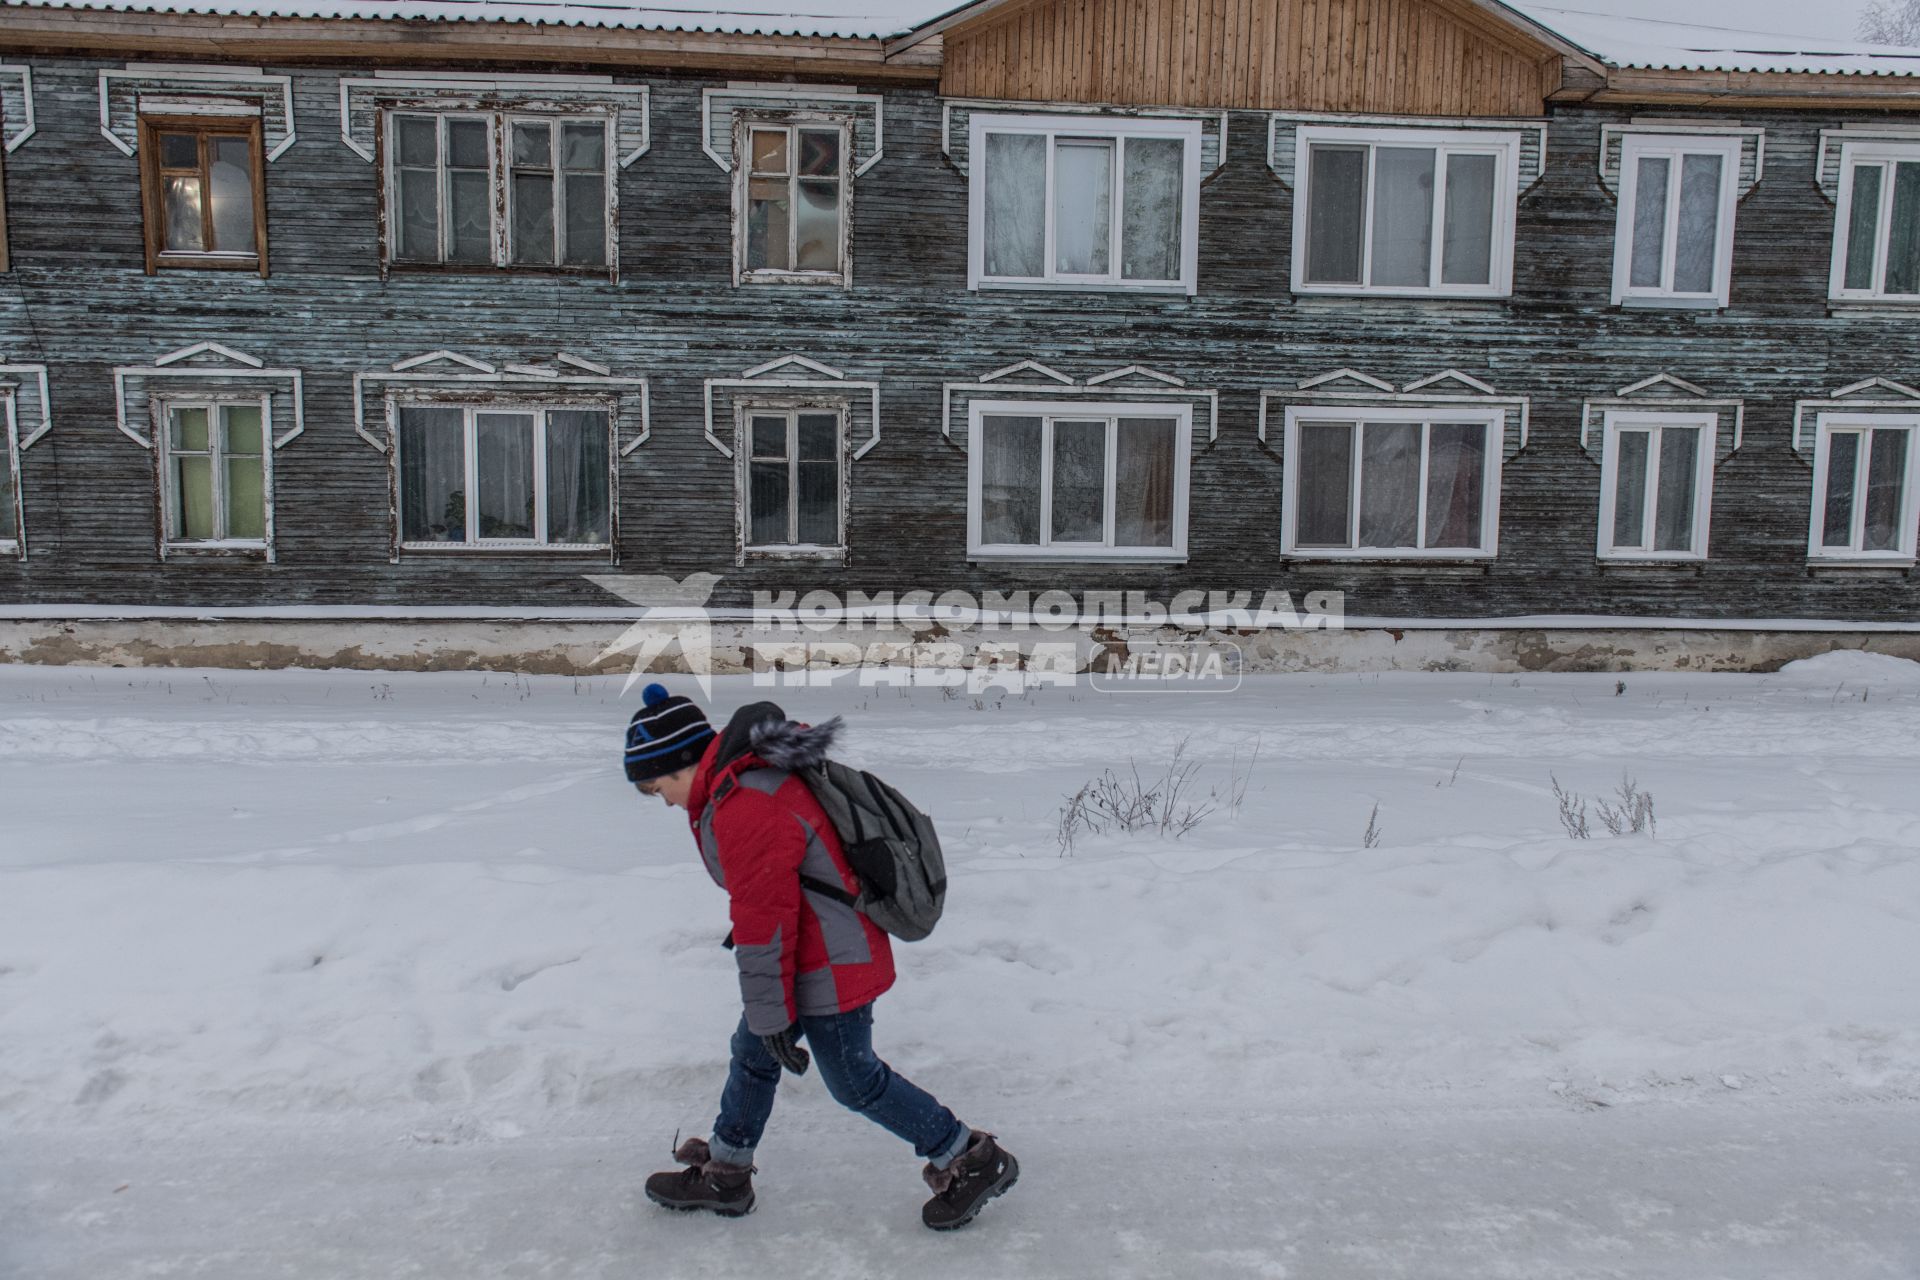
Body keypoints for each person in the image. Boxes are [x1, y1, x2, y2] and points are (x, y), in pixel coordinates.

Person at [623, 683, 1018, 1230]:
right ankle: (727, 1171)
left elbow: (764, 923)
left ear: (685, 762)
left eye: (656, 785)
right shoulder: (739, 786)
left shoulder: (745, 804)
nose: (660, 799)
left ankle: (969, 1156)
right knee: (754, 1051)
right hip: (818, 953)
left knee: (855, 1081)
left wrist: (773, 1013)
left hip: (830, 963)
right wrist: (769, 1017)